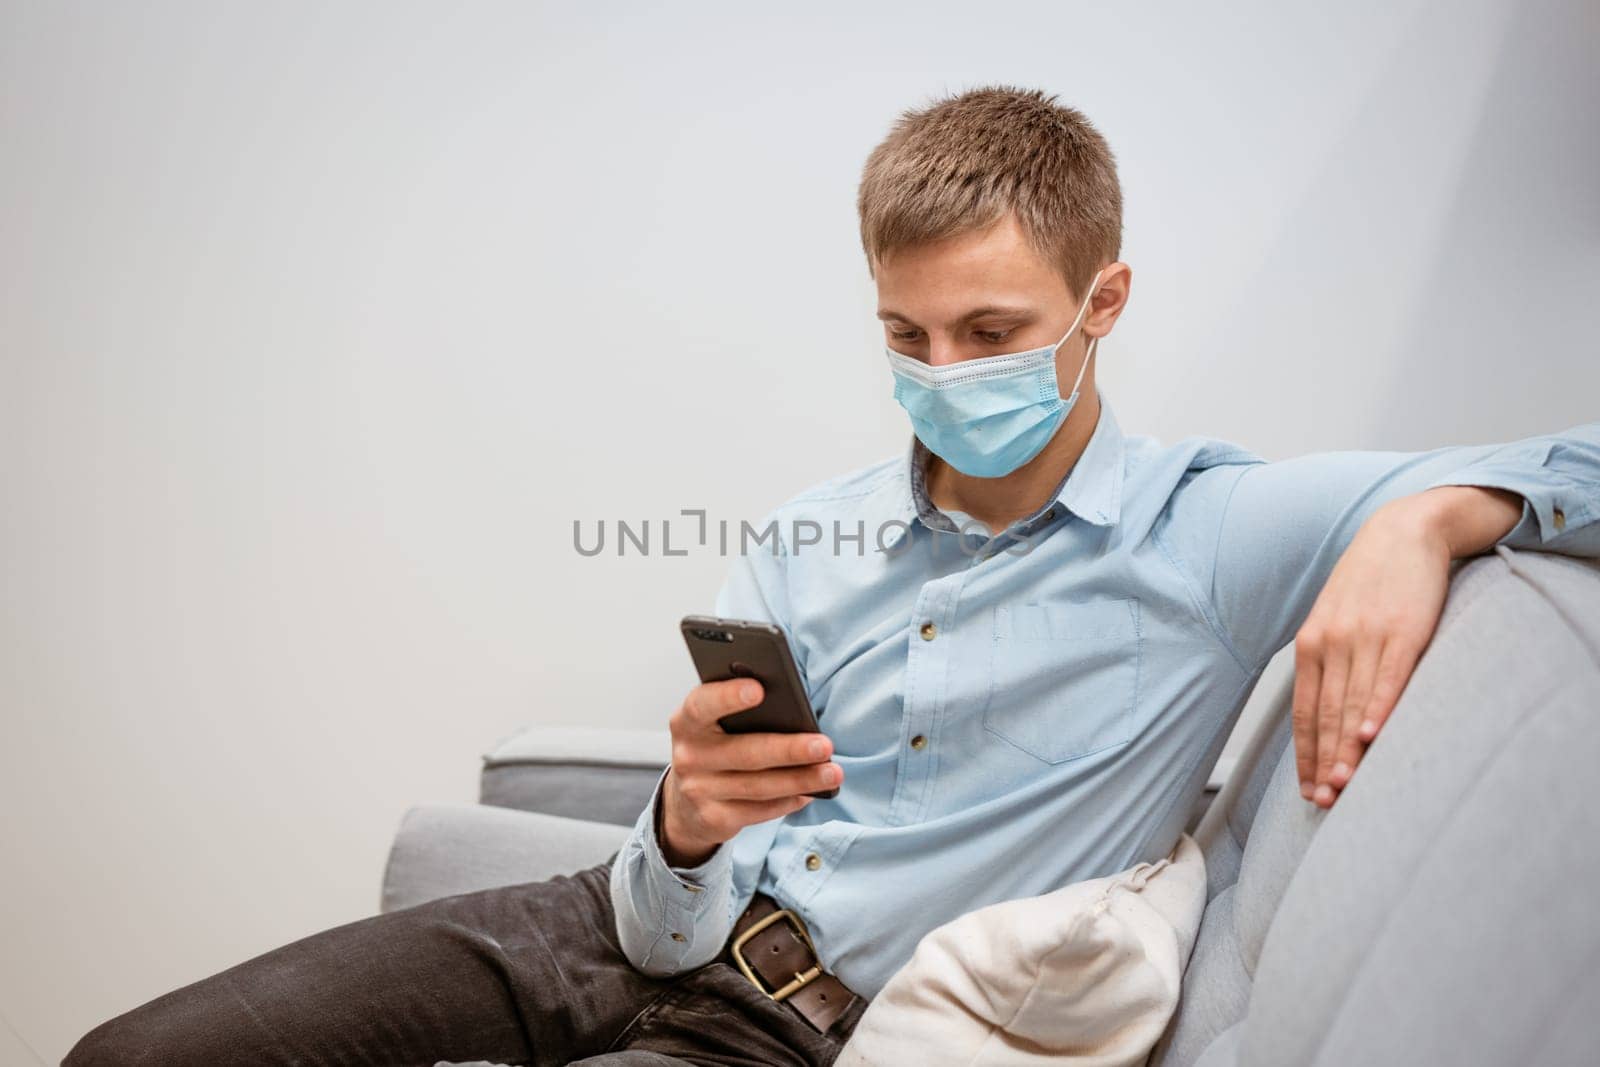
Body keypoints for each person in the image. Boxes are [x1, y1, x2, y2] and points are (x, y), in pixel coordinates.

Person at [66, 84, 1600, 1067]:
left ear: (1102, 300)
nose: (943, 372)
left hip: (789, 1034)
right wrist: (677, 826)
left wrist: (1435, 511)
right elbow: (673, 905)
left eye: (993, 333)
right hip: (608, 927)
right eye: (903, 335)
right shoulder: (812, 533)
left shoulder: (1215, 534)